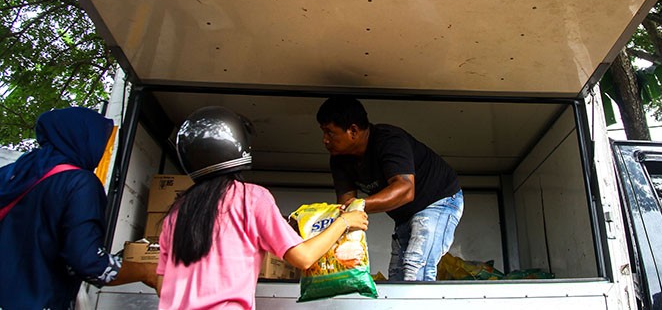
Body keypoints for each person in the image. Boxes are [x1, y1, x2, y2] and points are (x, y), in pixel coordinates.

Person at [156, 106, 368, 310]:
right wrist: (345, 221)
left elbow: (161, 284)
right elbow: (303, 257)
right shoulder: (251, 198)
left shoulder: (175, 213)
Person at [0, 106, 151, 310]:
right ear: (82, 137)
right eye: (101, 142)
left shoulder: (10, 175)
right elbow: (89, 262)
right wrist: (148, 272)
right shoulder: (79, 182)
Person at [317, 96, 464, 281]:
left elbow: (405, 190)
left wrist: (360, 205)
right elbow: (346, 206)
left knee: (415, 267)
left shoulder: (388, 139)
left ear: (353, 130)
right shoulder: (339, 159)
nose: (324, 140)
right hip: (404, 215)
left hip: (438, 202)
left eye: (329, 132)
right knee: (397, 278)